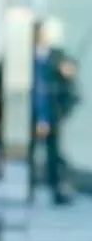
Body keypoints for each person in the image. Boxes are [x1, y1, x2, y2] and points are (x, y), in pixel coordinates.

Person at [28, 20, 78, 205]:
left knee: (53, 153)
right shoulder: (25, 57)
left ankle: (56, 190)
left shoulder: (56, 55)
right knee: (31, 154)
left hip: (52, 112)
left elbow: (70, 71)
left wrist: (68, 71)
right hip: (32, 112)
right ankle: (29, 190)